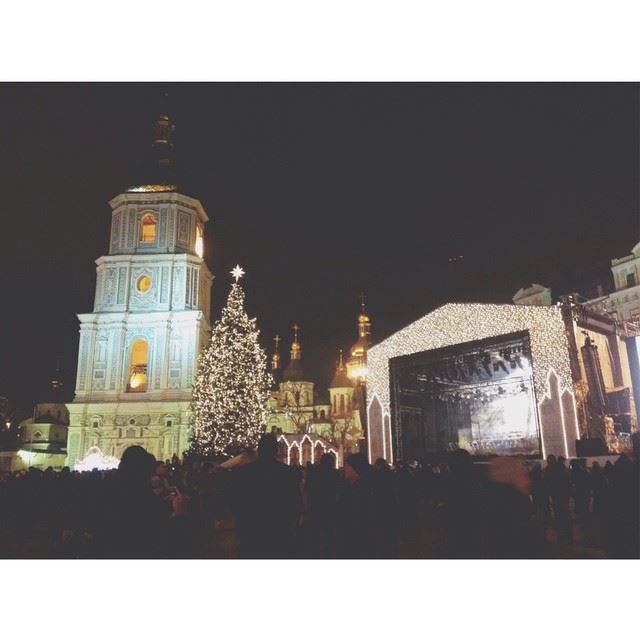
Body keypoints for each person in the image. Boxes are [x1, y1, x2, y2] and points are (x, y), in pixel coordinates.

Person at [230, 434, 301, 558]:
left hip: (251, 534)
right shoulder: (288, 473)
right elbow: (295, 504)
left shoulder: (243, 473)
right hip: (279, 533)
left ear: (259, 449)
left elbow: (236, 504)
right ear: (276, 450)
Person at [337, 453, 375, 558]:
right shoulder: (346, 485)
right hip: (348, 535)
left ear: (355, 468)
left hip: (359, 536)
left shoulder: (365, 489)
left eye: (347, 466)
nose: (344, 468)